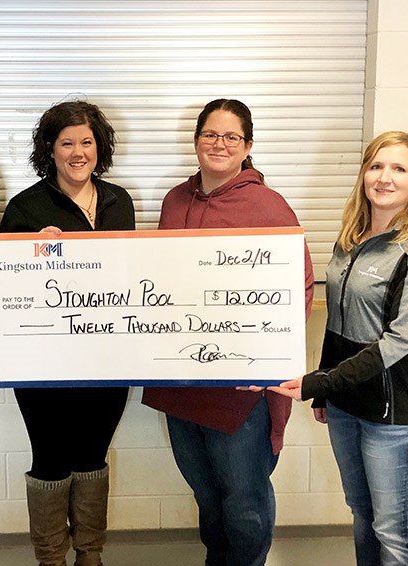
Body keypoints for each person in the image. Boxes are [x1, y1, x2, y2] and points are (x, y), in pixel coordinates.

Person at [141, 99, 315, 566]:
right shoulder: (174, 200)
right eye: (210, 135)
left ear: (248, 146)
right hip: (180, 383)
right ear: (195, 140)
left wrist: (265, 362)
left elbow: (297, 293)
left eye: (230, 137)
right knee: (206, 496)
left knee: (245, 504)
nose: (219, 144)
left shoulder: (269, 206)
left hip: (240, 390)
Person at [268, 131, 408, 565]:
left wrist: (317, 381)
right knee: (363, 514)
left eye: (399, 169)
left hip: (395, 409)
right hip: (348, 404)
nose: (384, 177)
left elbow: (399, 341)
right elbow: (338, 322)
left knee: (394, 529)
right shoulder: (349, 240)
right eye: (376, 166)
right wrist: (329, 391)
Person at [0, 100, 135, 566]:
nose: (79, 152)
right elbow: (5, 286)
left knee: (93, 455)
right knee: (52, 457)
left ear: (100, 148)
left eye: (87, 142)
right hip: (43, 365)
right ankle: (52, 559)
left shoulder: (120, 201)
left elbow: (132, 277)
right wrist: (38, 257)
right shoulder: (26, 207)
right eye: (67, 143)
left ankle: (90, 555)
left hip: (108, 359)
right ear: (50, 150)